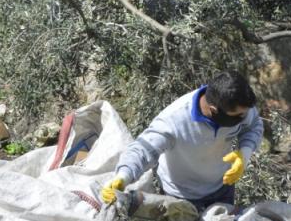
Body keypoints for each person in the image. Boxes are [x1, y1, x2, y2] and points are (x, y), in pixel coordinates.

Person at [101, 71, 264, 210]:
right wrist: (123, 176)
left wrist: (245, 153)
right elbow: (143, 150)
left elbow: (254, 125)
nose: (244, 117)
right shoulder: (174, 120)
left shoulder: (238, 107)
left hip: (222, 187)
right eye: (238, 116)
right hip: (181, 195)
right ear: (214, 110)